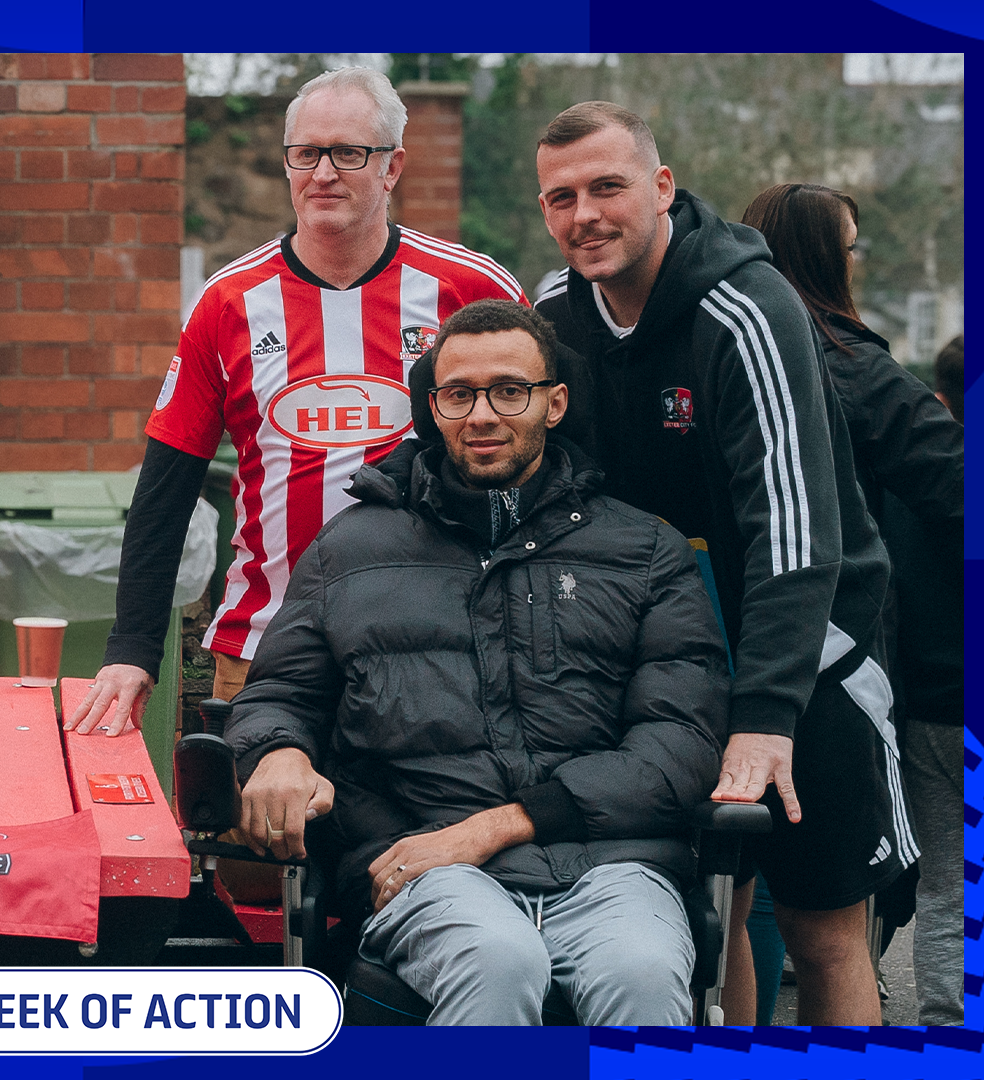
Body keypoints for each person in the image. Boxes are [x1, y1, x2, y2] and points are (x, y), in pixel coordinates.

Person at [226, 300, 727, 1025]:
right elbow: (279, 695)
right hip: (420, 859)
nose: (482, 415)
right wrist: (276, 754)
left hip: (612, 862)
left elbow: (681, 744)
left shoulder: (645, 551)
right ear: (433, 408)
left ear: (554, 403)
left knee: (643, 974)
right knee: (500, 959)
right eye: (458, 394)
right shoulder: (350, 550)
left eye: (509, 391)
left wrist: (502, 825)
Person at [529, 102, 908, 1024]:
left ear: (662, 188)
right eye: (562, 197)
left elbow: (792, 529)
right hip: (668, 665)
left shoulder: (747, 306)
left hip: (806, 659)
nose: (586, 215)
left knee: (823, 929)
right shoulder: (554, 322)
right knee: (714, 919)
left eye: (608, 187)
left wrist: (766, 715)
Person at [70, 65, 527, 739]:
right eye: (305, 153)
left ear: (392, 166)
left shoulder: (471, 291)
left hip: (439, 649)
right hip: (265, 649)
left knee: (427, 842)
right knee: (253, 840)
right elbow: (167, 486)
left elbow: (546, 465)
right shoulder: (226, 304)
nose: (324, 173)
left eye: (348, 153)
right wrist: (133, 646)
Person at [741, 182, 965, 1025]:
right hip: (843, 658)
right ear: (817, 256)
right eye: (848, 247)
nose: (855, 263)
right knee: (847, 907)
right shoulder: (846, 361)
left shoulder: (719, 346)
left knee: (750, 884)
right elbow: (961, 486)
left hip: (732, 644)